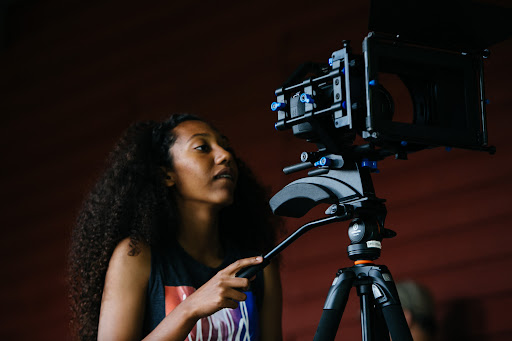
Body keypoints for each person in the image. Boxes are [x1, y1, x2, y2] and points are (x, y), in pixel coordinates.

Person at [69, 114, 283, 341]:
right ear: (167, 174)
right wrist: (189, 309)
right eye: (202, 147)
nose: (225, 155)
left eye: (225, 146)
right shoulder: (136, 257)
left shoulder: (259, 268)